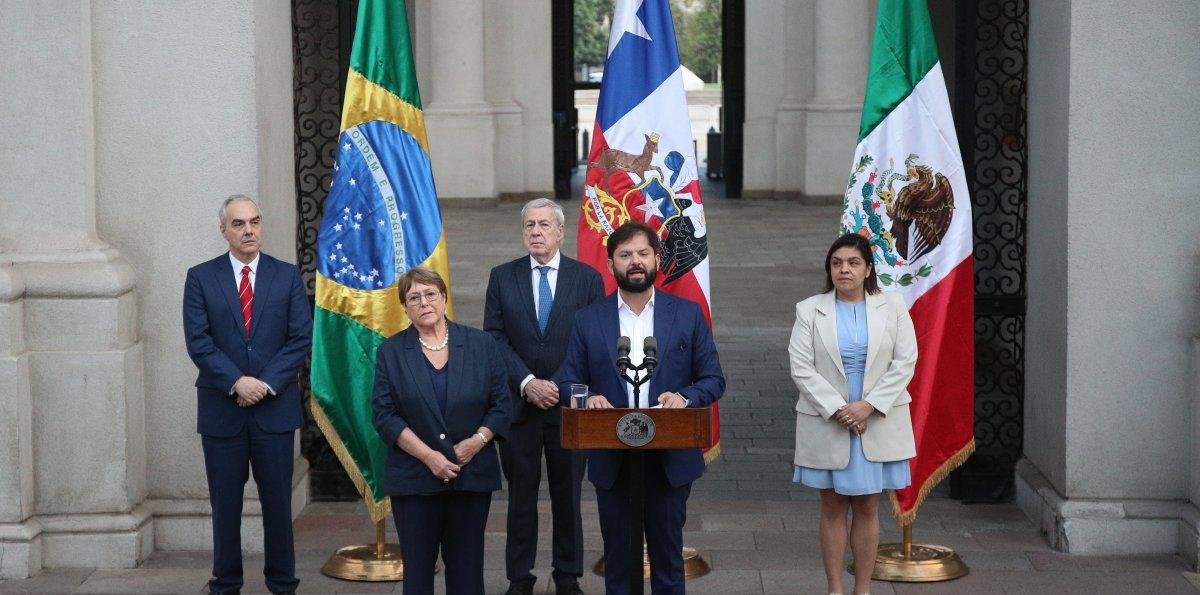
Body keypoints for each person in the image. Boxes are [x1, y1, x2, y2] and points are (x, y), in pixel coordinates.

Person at [558, 222, 725, 595]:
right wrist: (588, 397)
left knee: (668, 562)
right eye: (625, 255)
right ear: (611, 264)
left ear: (657, 259)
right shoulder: (589, 318)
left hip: (669, 460)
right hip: (613, 460)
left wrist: (685, 398)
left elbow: (713, 379)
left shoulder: (686, 314)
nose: (635, 261)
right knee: (618, 562)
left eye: (642, 253)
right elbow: (568, 381)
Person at [183, 195, 312, 595]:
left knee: (278, 505)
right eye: (238, 224)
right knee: (225, 506)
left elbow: (300, 338)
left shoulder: (286, 276)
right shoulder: (201, 278)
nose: (249, 230)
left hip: (275, 411)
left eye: (254, 221)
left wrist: (264, 384)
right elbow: (199, 342)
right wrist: (238, 382)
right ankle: (225, 584)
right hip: (223, 412)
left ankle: (283, 584)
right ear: (223, 230)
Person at [484, 198, 604, 595]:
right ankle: (519, 577)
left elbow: (593, 339)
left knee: (568, 495)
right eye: (529, 225)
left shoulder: (587, 279)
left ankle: (567, 575)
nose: (536, 232)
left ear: (560, 232)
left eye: (544, 225)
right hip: (519, 407)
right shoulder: (502, 277)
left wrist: (557, 384)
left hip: (568, 407)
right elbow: (494, 337)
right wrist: (527, 382)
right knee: (520, 497)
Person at [788, 233, 917, 595]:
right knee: (832, 505)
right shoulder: (809, 309)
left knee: (868, 504)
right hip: (828, 419)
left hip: (877, 418)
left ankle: (863, 590)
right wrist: (839, 410)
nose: (844, 269)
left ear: (868, 269)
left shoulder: (892, 306)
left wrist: (869, 406)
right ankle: (835, 589)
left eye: (853, 263)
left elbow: (905, 361)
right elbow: (801, 367)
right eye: (837, 263)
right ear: (829, 269)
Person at [372, 267, 510, 595]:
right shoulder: (391, 352)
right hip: (414, 478)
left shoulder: (481, 344)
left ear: (444, 297)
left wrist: (476, 442)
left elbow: (502, 405)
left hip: (470, 475)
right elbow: (384, 415)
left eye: (430, 294)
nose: (424, 303)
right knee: (418, 575)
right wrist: (429, 457)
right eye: (414, 298)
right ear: (404, 307)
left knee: (467, 574)